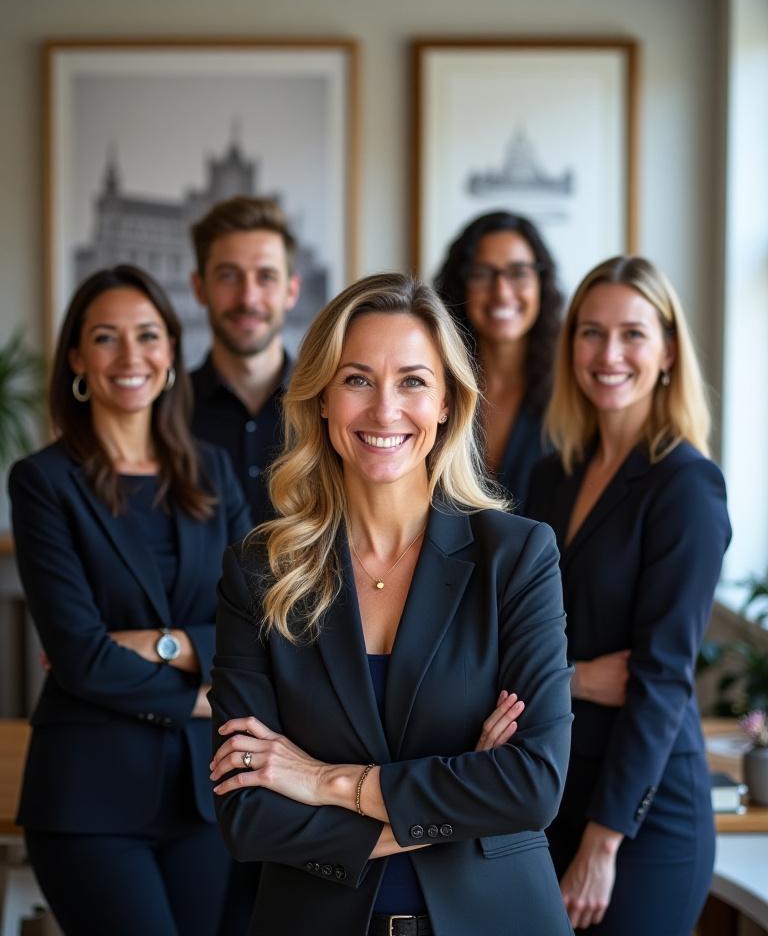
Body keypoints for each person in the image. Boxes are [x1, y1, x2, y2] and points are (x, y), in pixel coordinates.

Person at [208, 273, 574, 936]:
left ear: (446, 403)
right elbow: (248, 815)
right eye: (356, 379)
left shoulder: (517, 557)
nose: (384, 410)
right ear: (321, 397)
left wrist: (323, 782)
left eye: (412, 380)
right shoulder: (258, 572)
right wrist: (463, 795)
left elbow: (532, 787)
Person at [8, 265, 251, 936]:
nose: (130, 356)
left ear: (171, 351)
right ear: (79, 359)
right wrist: (204, 693)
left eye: (147, 335)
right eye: (105, 338)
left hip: (205, 798)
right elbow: (80, 658)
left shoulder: (213, 472)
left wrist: (160, 644)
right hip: (89, 801)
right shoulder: (43, 483)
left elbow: (252, 627)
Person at [525, 256, 731, 934]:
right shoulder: (554, 475)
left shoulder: (686, 488)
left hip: (641, 818)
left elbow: (660, 678)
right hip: (552, 787)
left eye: (632, 334)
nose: (608, 354)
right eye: (590, 332)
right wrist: (578, 677)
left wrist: (602, 842)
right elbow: (517, 637)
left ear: (668, 350)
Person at [434, 211, 563, 506]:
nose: (502, 292)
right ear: (461, 285)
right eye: (482, 274)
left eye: (518, 273)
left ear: (541, 282)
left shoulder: (572, 385)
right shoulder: (436, 383)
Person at [189, 195, 300, 524]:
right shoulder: (165, 411)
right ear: (199, 288)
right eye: (228, 275)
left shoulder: (331, 408)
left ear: (291, 291)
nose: (248, 298)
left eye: (266, 276)